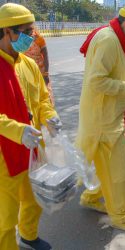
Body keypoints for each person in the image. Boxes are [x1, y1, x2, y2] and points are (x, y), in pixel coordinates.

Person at [76, 3, 125, 234]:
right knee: (120, 172)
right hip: (103, 120)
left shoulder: (118, 37)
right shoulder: (109, 40)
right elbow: (96, 81)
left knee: (109, 167)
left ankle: (90, 198)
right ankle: (119, 216)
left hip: (108, 116)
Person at [0, 3, 61, 249]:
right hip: (4, 154)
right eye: (25, 32)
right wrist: (17, 130)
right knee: (5, 214)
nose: (31, 37)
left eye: (32, 32)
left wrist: (49, 116)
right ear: (6, 32)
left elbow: (42, 100)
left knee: (34, 198)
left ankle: (28, 235)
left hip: (32, 146)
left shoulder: (28, 64)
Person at [24, 28, 55, 105]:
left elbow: (45, 55)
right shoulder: (19, 39)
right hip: (26, 72)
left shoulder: (39, 38)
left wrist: (46, 73)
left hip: (40, 72)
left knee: (46, 97)